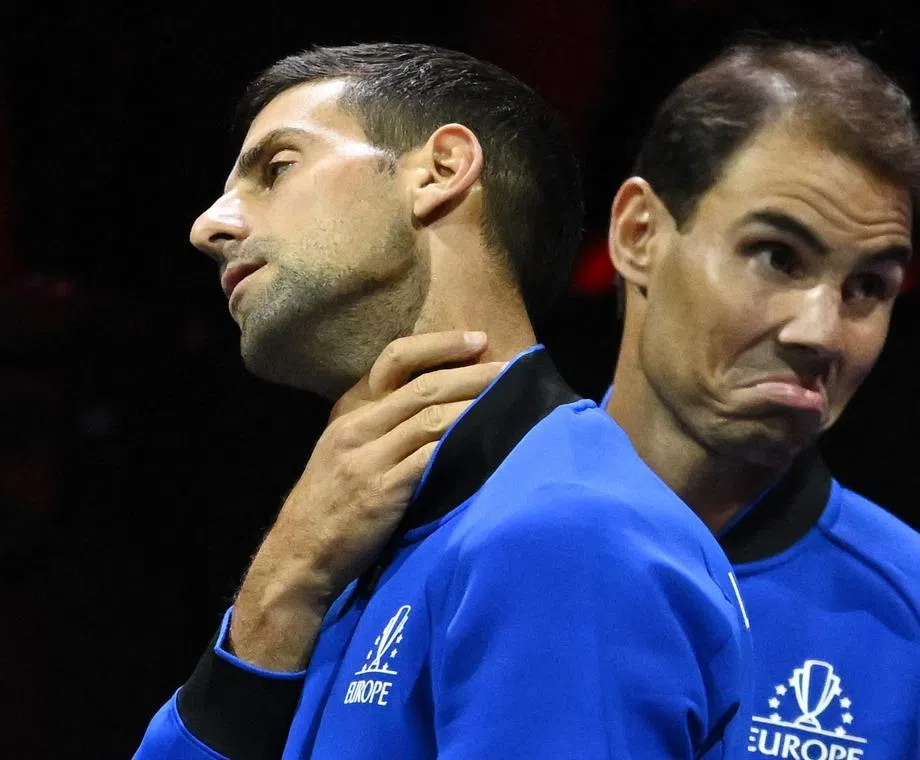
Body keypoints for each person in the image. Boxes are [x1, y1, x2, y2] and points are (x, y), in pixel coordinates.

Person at [133, 43, 752, 760]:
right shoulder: (341, 549)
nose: (207, 226)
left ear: (440, 171)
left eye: (276, 169)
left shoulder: (566, 532)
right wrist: (280, 588)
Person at [601, 41, 920, 758]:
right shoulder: (437, 532)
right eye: (777, 256)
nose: (821, 334)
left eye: (868, 289)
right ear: (639, 234)